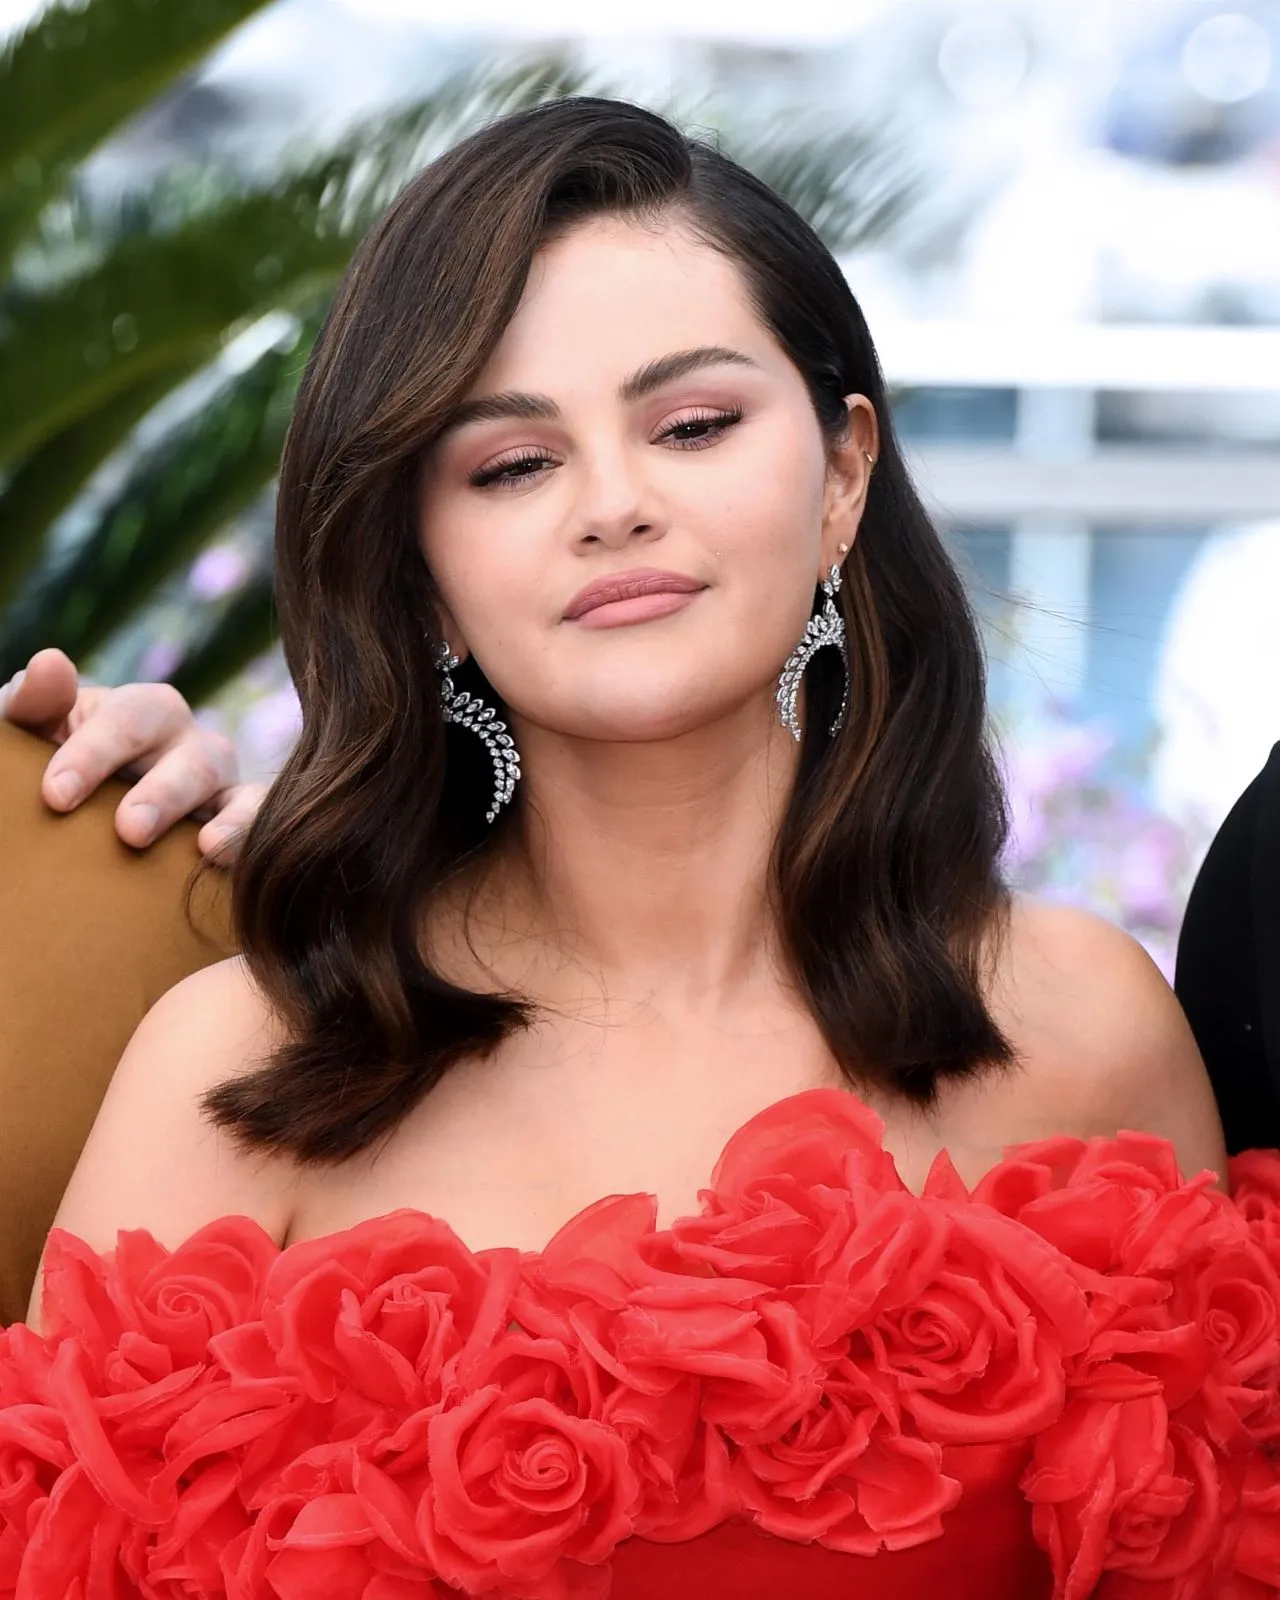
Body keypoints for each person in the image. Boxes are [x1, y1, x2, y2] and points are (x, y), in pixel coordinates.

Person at [1, 97, 1276, 1600]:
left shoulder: (1083, 1025)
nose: (615, 506)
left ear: (844, 470)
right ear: (415, 571)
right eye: (509, 465)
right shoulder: (236, 1067)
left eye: (693, 426)